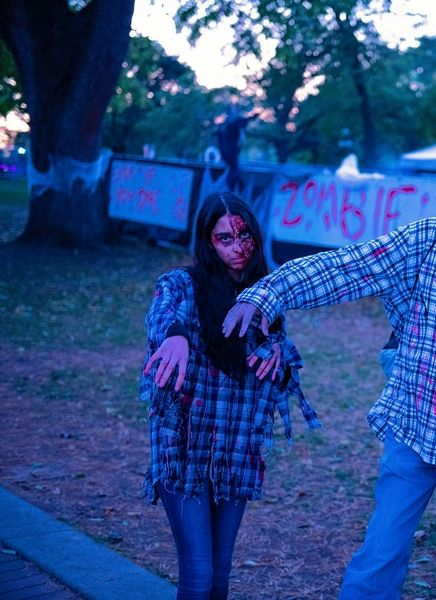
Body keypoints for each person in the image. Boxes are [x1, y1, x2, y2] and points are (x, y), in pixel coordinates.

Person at [222, 143, 436, 599]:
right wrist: (267, 293)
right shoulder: (429, 239)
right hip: (416, 419)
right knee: (380, 552)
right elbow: (348, 267)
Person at [141, 192, 320, 600]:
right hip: (184, 451)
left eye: (244, 236)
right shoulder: (181, 285)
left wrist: (278, 354)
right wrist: (175, 339)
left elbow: (277, 371)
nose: (238, 248)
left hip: (237, 453)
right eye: (224, 239)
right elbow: (162, 316)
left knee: (220, 579)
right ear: (207, 243)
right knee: (198, 576)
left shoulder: (265, 299)